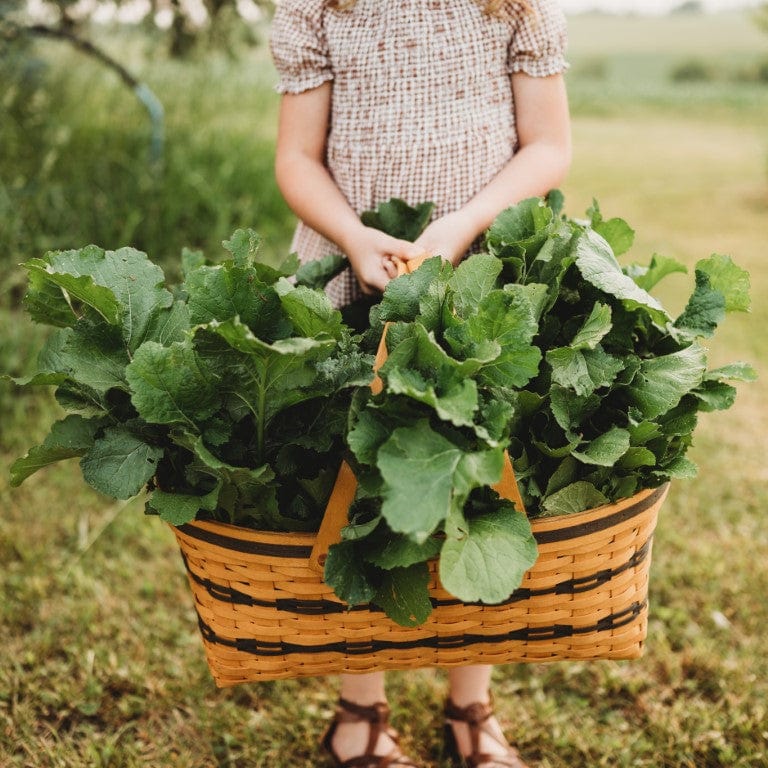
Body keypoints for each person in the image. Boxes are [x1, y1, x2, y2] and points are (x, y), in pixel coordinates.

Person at [270, 1, 571, 766]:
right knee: (357, 493)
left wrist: (464, 224)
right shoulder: (318, 6)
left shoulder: (514, 3)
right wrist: (352, 236)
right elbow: (297, 159)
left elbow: (546, 146)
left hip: (475, 277)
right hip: (351, 274)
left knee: (477, 487)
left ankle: (471, 704)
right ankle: (360, 711)